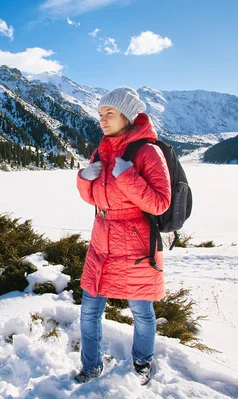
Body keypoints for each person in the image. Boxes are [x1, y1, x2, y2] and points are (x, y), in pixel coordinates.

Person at [75, 87, 172, 385]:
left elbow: (160, 202)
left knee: (141, 311)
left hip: (136, 243)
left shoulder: (147, 151)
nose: (103, 120)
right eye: (100, 114)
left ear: (127, 116)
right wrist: (82, 180)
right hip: (102, 239)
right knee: (89, 310)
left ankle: (142, 363)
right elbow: (96, 199)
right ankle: (91, 368)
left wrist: (127, 176)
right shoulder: (100, 150)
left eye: (110, 114)